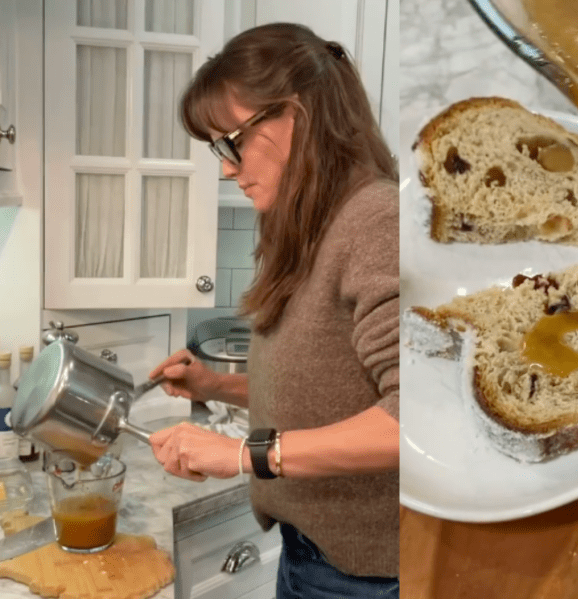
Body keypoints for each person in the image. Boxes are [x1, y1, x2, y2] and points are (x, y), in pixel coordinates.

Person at [147, 23, 399, 599]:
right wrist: (214, 385)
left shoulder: (375, 221)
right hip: (311, 555)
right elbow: (330, 392)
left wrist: (243, 453)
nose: (226, 167)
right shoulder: (310, 228)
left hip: (364, 577)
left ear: (297, 115)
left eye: (229, 142)